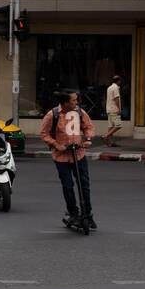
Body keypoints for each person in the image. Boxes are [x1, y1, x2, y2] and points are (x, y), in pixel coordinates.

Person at [40, 90, 96, 229]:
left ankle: (87, 214)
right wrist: (57, 145)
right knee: (68, 186)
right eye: (74, 100)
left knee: (84, 185)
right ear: (65, 103)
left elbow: (88, 126)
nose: (76, 103)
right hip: (61, 157)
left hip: (79, 154)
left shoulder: (79, 112)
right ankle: (73, 213)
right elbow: (44, 134)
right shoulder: (52, 115)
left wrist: (88, 139)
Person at [102, 75, 122, 147]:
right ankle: (106, 136)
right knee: (118, 125)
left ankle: (110, 142)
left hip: (109, 109)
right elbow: (116, 99)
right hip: (114, 109)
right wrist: (119, 109)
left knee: (111, 126)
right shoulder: (115, 88)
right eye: (120, 81)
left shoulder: (109, 88)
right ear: (118, 81)